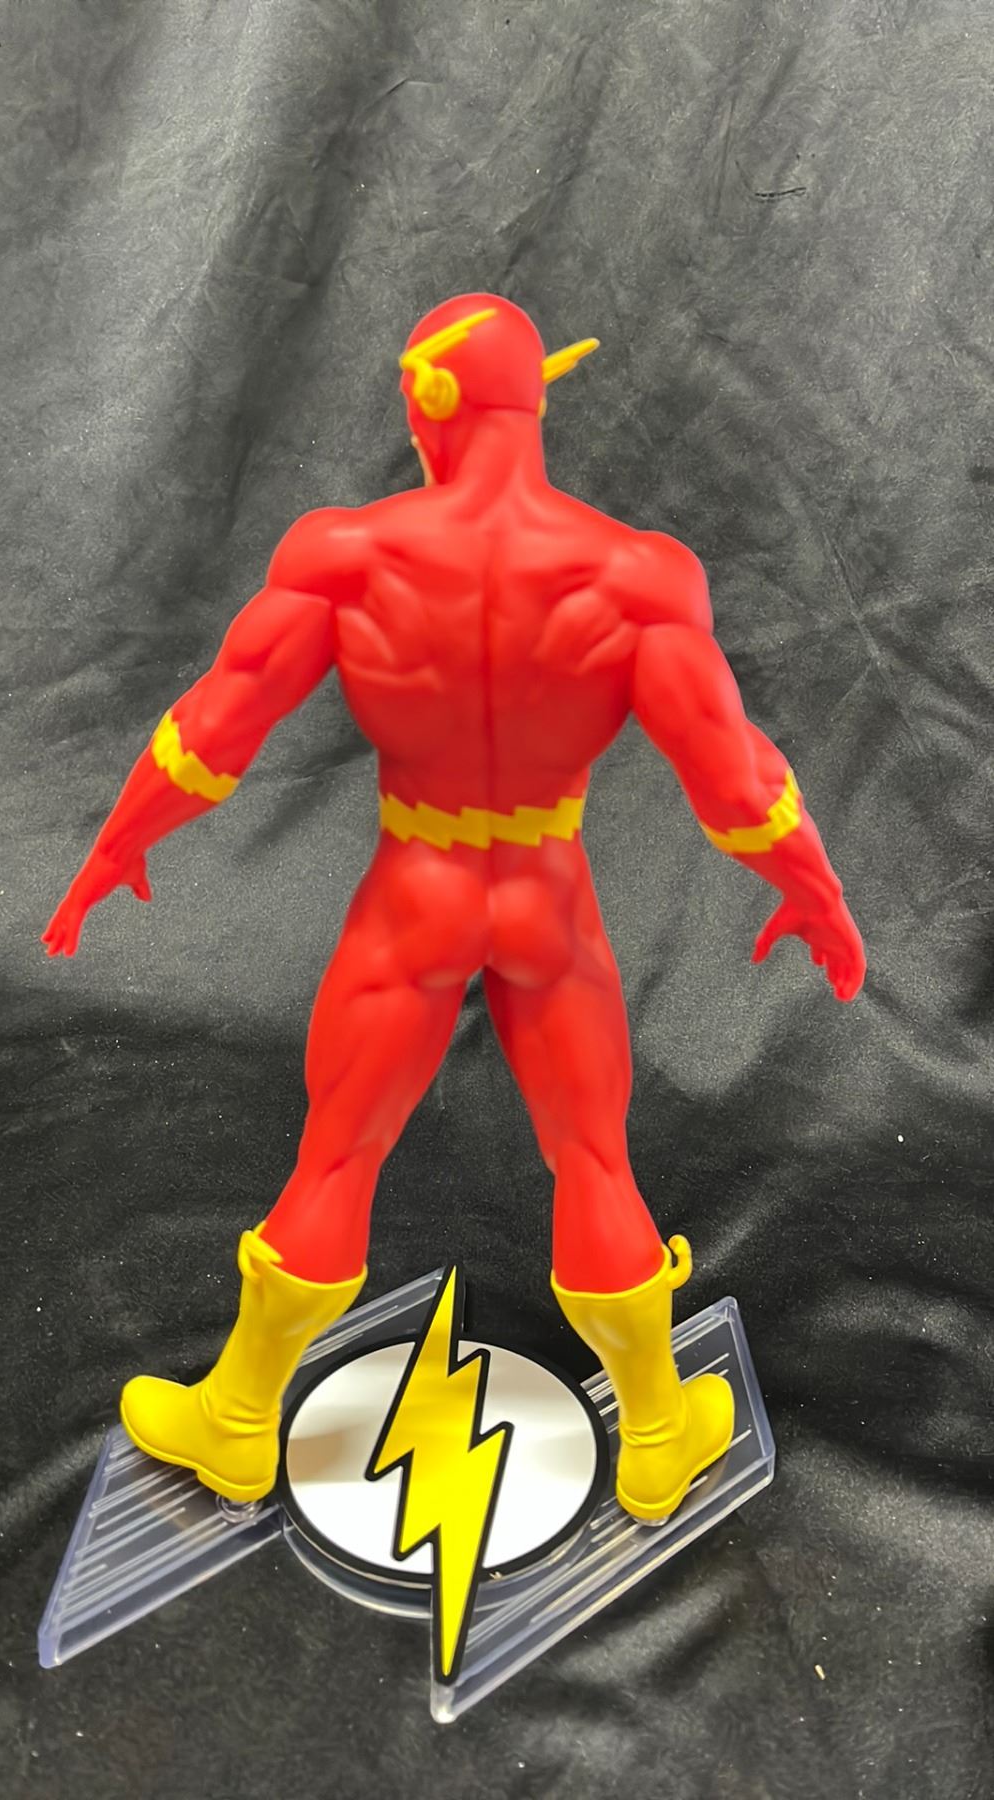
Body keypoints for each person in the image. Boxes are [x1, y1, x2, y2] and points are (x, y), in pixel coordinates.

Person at [44, 295, 865, 1522]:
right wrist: (816, 893)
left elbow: (215, 728)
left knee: (339, 1153)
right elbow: (734, 779)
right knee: (591, 1155)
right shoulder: (634, 575)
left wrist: (117, 847)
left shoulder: (346, 555)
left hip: (416, 890)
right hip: (545, 894)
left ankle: (238, 1421)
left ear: (431, 399)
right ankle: (656, 1435)